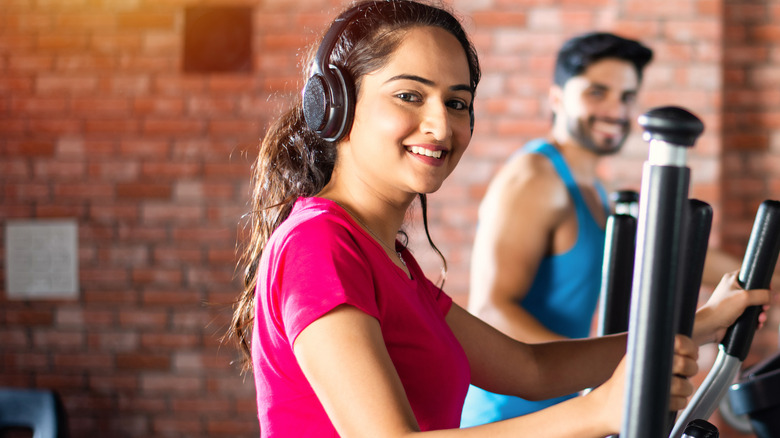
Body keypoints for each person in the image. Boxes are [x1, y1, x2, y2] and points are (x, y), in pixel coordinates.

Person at [228, 2, 772, 436]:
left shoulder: (389, 258)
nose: (440, 126)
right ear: (336, 107)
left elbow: (533, 370)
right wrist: (602, 411)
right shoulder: (317, 245)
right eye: (410, 95)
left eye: (458, 102)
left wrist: (698, 323)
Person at [460, 31, 780, 427]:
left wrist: (757, 274)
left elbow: (669, 247)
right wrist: (597, 371)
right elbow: (492, 310)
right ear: (557, 97)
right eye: (597, 92)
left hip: (569, 410)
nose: (615, 109)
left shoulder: (593, 187)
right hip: (510, 415)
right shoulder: (534, 179)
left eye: (626, 97)